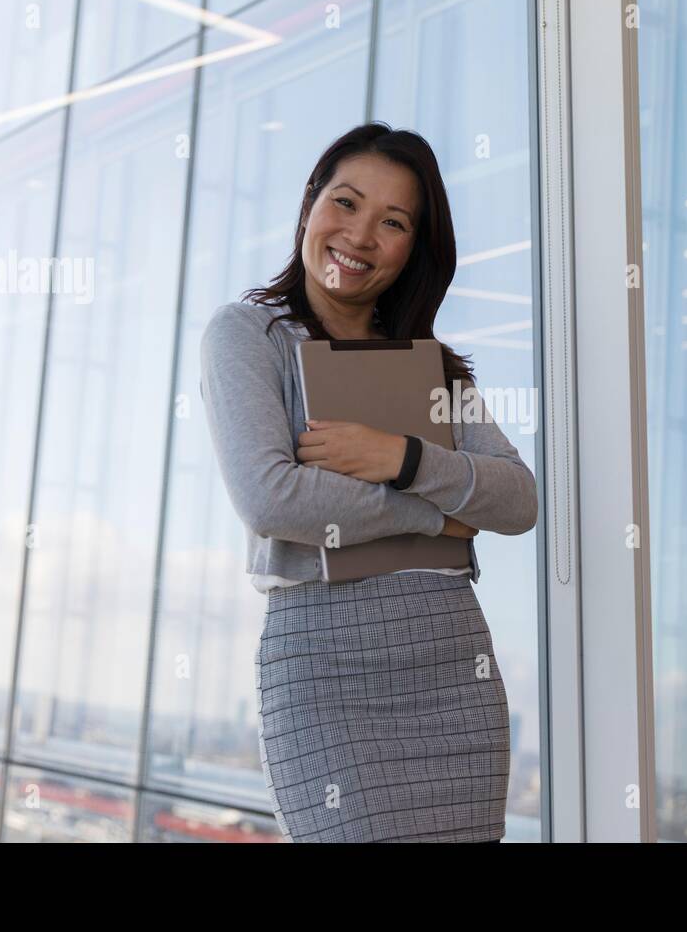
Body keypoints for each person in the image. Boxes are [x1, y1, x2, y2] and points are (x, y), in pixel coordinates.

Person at [199, 122, 538, 842]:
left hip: (452, 668)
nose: (359, 236)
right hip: (324, 671)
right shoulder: (248, 337)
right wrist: (431, 514)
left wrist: (403, 457)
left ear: (414, 247)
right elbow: (272, 499)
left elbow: (517, 498)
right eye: (346, 203)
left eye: (393, 222)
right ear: (309, 205)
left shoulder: (432, 367)